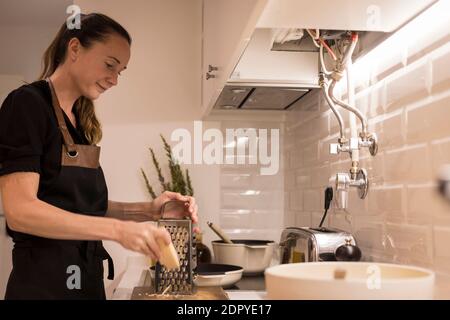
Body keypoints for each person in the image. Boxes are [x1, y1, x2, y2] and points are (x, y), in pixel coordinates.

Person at [0, 13, 198, 300]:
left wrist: (150, 211)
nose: (115, 79)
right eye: (110, 65)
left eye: (121, 71)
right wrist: (117, 231)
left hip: (85, 282)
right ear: (75, 48)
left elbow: (82, 206)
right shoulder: (27, 104)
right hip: (45, 287)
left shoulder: (79, 122)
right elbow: (21, 212)